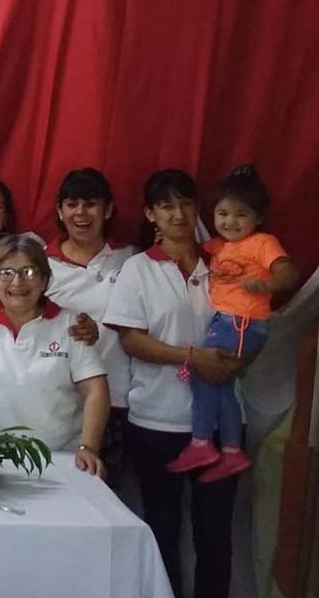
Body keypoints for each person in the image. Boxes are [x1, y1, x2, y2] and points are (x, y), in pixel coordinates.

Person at [103, 169, 242, 598]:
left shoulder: (225, 263)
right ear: (150, 214)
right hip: (156, 423)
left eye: (184, 203)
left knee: (215, 537)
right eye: (165, 205)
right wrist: (191, 358)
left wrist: (235, 359)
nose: (177, 213)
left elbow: (250, 324)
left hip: (221, 426)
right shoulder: (137, 269)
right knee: (162, 531)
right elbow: (131, 338)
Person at [165, 165, 296, 482]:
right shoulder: (219, 246)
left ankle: (201, 443)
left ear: (258, 217)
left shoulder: (263, 242)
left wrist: (267, 285)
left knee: (204, 371)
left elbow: (288, 271)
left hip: (242, 323)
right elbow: (190, 247)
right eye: (222, 213)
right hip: (228, 322)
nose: (229, 222)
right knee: (221, 384)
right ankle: (232, 452)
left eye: (240, 215)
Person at [0, 235, 110, 475]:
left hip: (60, 460)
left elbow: (96, 388)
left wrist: (89, 448)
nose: (17, 282)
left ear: (44, 280)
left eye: (28, 272)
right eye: (6, 273)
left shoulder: (70, 323)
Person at [44, 168, 136, 486]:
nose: (80, 213)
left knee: (114, 503)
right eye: (71, 204)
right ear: (59, 211)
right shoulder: (41, 266)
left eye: (91, 204)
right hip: (60, 402)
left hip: (120, 401)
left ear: (108, 210)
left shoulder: (131, 261)